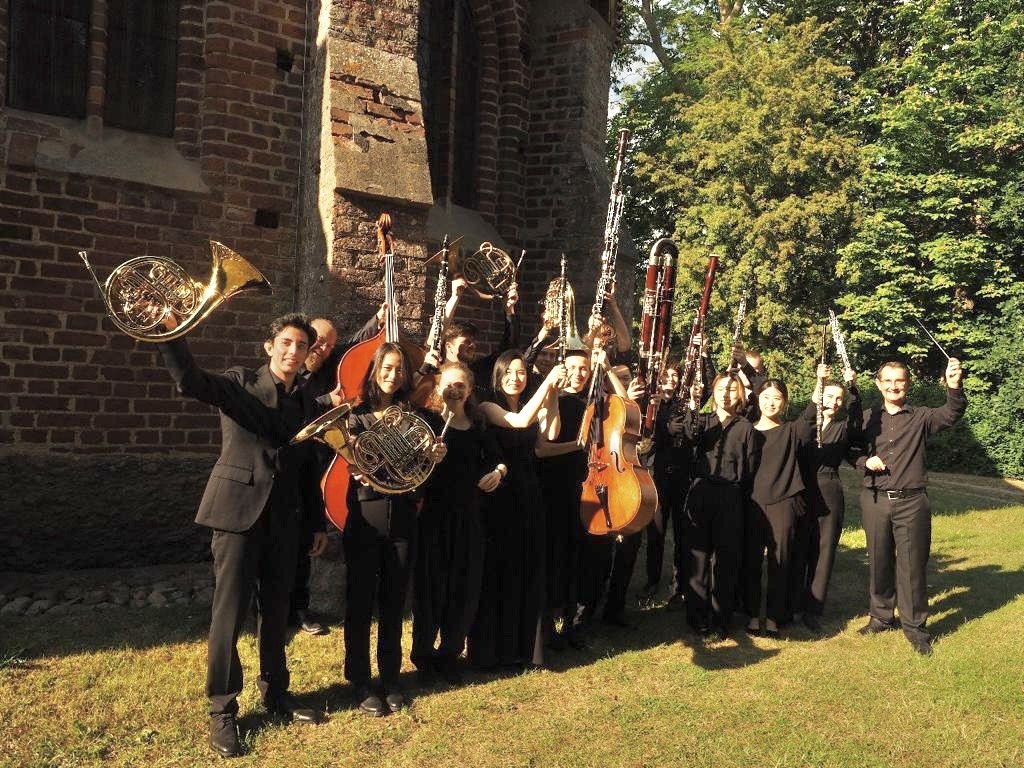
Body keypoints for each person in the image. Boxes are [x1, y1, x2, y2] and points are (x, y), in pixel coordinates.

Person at [158, 313, 328, 758]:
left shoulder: (309, 400)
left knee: (277, 612)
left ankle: (275, 693)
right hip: (237, 514)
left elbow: (309, 467)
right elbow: (190, 381)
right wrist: (171, 333)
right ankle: (223, 709)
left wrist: (315, 523)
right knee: (229, 615)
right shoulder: (241, 383)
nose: (294, 351)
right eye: (286, 343)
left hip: (286, 521)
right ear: (269, 346)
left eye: (302, 345)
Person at [340, 343, 447, 715]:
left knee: (393, 600)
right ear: (375, 370)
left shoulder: (414, 415)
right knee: (360, 601)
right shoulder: (356, 417)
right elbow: (350, 464)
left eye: (400, 369)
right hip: (366, 515)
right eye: (387, 367)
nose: (393, 374)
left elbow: (420, 471)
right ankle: (358, 678)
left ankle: (390, 677)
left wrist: (432, 457)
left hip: (402, 514)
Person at [856, 357, 965, 655]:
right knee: (878, 560)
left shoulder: (922, 417)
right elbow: (849, 450)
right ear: (878, 384)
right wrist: (866, 461)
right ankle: (880, 617)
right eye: (887, 380)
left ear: (907, 384)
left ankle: (915, 628)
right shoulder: (866, 419)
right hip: (875, 500)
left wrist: (954, 386)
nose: (893, 386)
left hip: (912, 501)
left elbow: (952, 412)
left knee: (912, 566)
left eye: (899, 381)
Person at [469, 351, 565, 669]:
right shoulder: (487, 405)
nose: (516, 377)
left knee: (529, 567)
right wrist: (548, 381)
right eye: (509, 371)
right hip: (500, 498)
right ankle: (497, 651)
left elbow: (549, 434)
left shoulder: (532, 401)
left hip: (530, 494)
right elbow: (519, 422)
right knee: (502, 571)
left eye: (521, 372)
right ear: (498, 375)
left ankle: (529, 650)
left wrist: (552, 392)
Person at [289, 311, 382, 636]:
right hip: (289, 464)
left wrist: (377, 320)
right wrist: (327, 399)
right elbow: (292, 405)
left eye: (328, 345)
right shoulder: (288, 370)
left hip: (318, 462)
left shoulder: (329, 362)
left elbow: (353, 346)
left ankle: (300, 608)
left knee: (309, 540)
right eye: (319, 342)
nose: (324, 349)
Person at [412, 362, 504, 684]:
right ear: (438, 387)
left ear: (469, 391)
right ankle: (423, 656)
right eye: (449, 385)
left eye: (460, 386)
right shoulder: (429, 423)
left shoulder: (478, 425)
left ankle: (450, 653)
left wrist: (499, 472)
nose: (454, 391)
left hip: (470, 517)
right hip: (435, 518)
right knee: (431, 587)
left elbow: (497, 459)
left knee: (462, 588)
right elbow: (414, 469)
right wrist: (427, 456)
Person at [680, 372, 758, 641]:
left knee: (726, 559)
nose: (726, 394)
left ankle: (721, 617)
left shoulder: (746, 427)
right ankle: (697, 617)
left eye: (732, 390)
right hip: (701, 493)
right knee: (698, 559)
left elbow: (749, 468)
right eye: (721, 389)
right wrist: (692, 403)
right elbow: (688, 438)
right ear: (712, 391)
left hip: (730, 496)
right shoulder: (702, 421)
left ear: (740, 395)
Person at [791, 364, 862, 632]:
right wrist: (818, 383)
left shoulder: (844, 428)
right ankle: (794, 603)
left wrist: (853, 389)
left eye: (838, 398)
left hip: (829, 488)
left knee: (823, 551)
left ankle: (813, 609)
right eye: (828, 396)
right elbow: (798, 431)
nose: (833, 402)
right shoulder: (807, 422)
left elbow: (858, 423)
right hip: (801, 491)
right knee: (799, 548)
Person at [742, 379, 814, 638]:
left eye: (777, 398)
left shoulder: (792, 431)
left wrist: (818, 384)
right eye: (766, 396)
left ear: (784, 402)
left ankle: (774, 615)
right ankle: (751, 613)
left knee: (780, 560)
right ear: (757, 399)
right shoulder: (747, 431)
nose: (770, 402)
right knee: (750, 560)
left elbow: (810, 415)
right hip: (752, 503)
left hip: (783, 503)